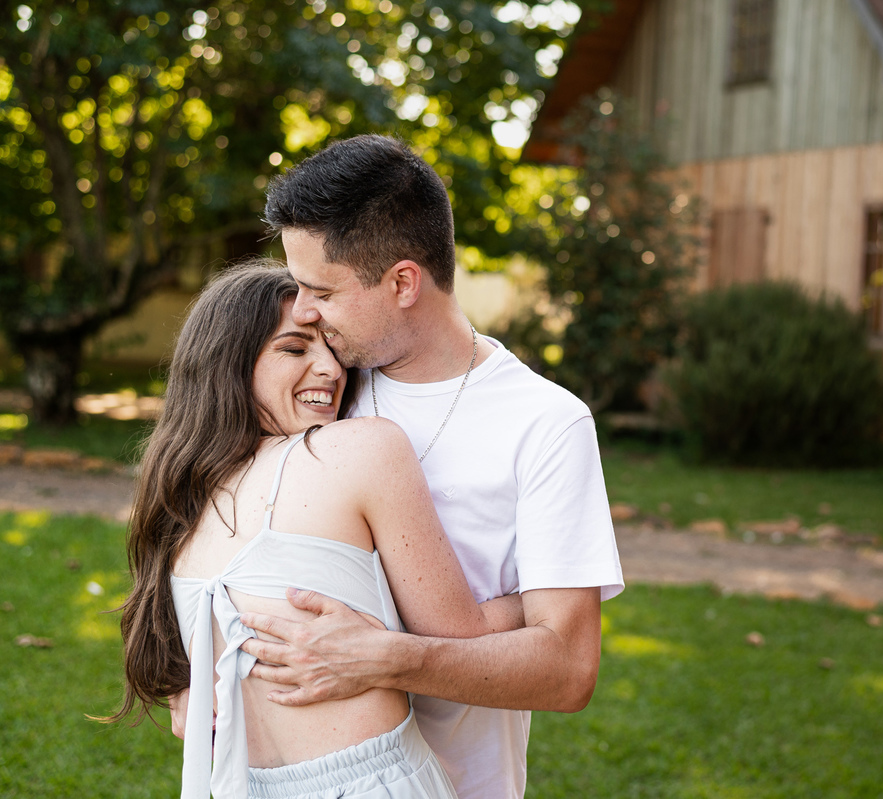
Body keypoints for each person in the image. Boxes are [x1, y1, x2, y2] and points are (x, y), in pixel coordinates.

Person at [233, 134, 625, 798]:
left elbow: (567, 671)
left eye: (320, 289)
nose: (302, 310)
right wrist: (176, 668)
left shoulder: (545, 424)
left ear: (403, 282)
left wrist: (389, 659)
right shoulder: (319, 386)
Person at [112, 263, 526, 798]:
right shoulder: (361, 447)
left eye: (333, 349)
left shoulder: (180, 502)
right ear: (227, 362)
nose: (331, 369)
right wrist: (539, 602)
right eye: (294, 348)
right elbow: (457, 644)